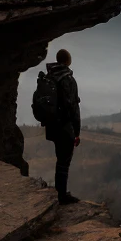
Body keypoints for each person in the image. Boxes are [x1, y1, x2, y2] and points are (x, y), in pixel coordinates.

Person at [44, 48, 81, 204]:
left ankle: (60, 193)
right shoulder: (68, 79)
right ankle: (62, 196)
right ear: (68, 61)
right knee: (64, 162)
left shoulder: (49, 76)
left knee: (60, 160)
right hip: (65, 126)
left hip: (52, 125)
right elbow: (73, 108)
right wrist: (76, 132)